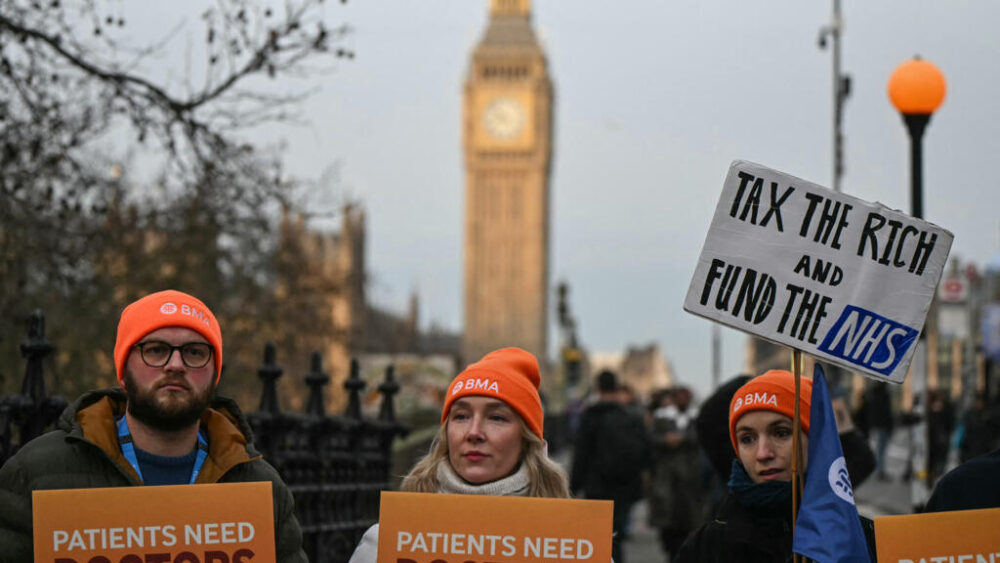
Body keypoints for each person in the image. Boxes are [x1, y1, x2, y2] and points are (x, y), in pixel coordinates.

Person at [0, 290, 306, 562]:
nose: (176, 365)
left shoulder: (260, 487)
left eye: (195, 352)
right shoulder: (36, 473)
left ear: (214, 374)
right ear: (123, 370)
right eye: (156, 350)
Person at [348, 347, 571, 563]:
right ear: (446, 434)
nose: (474, 432)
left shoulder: (571, 546)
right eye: (461, 416)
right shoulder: (390, 541)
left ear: (526, 440)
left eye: (497, 418)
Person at [676, 370, 877, 563]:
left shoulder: (863, 540)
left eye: (781, 433)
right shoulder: (706, 547)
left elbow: (864, 460)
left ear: (817, 440)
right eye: (747, 439)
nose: (763, 453)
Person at [571, 370, 649, 563]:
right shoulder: (630, 416)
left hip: (596, 486)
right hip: (624, 487)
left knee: (599, 537)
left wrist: (573, 487)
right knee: (618, 537)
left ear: (598, 387)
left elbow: (582, 454)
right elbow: (645, 452)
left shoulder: (591, 416)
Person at [647, 386, 704, 562]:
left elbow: (700, 438)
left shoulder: (695, 417)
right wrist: (666, 440)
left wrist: (683, 439)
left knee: (689, 521)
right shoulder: (662, 417)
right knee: (668, 521)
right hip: (667, 477)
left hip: (690, 477)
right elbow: (652, 440)